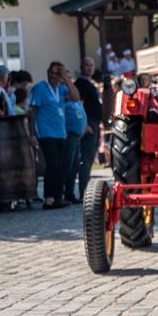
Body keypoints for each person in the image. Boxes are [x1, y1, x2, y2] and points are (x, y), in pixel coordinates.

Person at [28, 62, 72, 209]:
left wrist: (66, 79)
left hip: (60, 132)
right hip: (46, 132)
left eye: (57, 73)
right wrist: (32, 133)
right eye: (51, 72)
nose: (53, 75)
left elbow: (76, 97)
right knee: (52, 164)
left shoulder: (62, 89)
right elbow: (32, 111)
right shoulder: (40, 88)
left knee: (62, 165)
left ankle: (58, 197)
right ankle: (49, 198)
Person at [74, 57, 103, 198]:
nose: (90, 68)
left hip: (94, 123)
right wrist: (84, 124)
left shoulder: (89, 83)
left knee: (90, 158)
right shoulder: (81, 84)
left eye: (92, 65)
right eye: (87, 65)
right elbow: (79, 105)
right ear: (81, 67)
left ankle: (85, 190)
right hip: (88, 124)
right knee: (86, 158)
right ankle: (84, 192)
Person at [62, 82, 87, 204]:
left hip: (77, 136)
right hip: (69, 135)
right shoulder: (64, 103)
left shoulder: (76, 102)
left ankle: (70, 193)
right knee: (68, 164)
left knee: (75, 165)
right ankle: (63, 192)